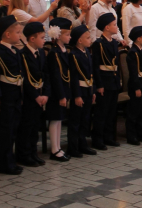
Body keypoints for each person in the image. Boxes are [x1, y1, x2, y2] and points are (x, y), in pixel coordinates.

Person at [0, 15, 24, 175]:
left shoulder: (15, 51)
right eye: (17, 32)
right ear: (7, 34)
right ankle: (4, 163)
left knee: (14, 129)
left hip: (15, 94)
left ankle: (11, 160)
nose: (19, 36)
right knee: (5, 131)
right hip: (5, 95)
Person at [16, 22, 50, 167]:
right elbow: (25, 78)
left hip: (41, 94)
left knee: (36, 126)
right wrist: (36, 96)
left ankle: (33, 153)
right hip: (30, 97)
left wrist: (46, 94)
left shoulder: (41, 52)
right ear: (32, 39)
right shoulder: (23, 55)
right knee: (27, 126)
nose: (44, 40)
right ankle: (24, 154)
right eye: (42, 38)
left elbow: (46, 74)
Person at [91, 13, 122, 150]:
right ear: (107, 27)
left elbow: (117, 63)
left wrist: (119, 80)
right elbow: (96, 67)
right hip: (104, 80)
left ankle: (109, 137)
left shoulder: (114, 43)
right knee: (101, 112)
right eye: (114, 25)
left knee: (111, 111)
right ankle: (98, 139)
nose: (116, 27)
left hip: (113, 80)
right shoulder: (98, 44)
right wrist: (99, 85)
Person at [67, 24, 97, 157]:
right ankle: (73, 147)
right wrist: (77, 95)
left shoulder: (87, 53)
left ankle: (82, 143)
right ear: (79, 40)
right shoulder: (74, 55)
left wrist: (93, 91)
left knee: (85, 119)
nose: (90, 40)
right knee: (75, 120)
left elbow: (91, 73)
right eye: (87, 38)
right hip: (79, 91)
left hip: (88, 90)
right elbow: (73, 77)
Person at [45, 18, 72, 162]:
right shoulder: (54, 53)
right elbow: (55, 76)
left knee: (60, 119)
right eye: (67, 34)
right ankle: (54, 149)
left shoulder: (63, 51)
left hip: (63, 89)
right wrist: (61, 95)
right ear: (59, 35)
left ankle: (58, 147)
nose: (70, 37)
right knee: (55, 119)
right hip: (56, 92)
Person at [125, 26, 142, 145]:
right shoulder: (133, 53)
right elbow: (134, 72)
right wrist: (137, 87)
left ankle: (141, 132)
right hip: (136, 84)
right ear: (138, 38)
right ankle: (131, 135)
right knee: (134, 111)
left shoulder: (141, 50)